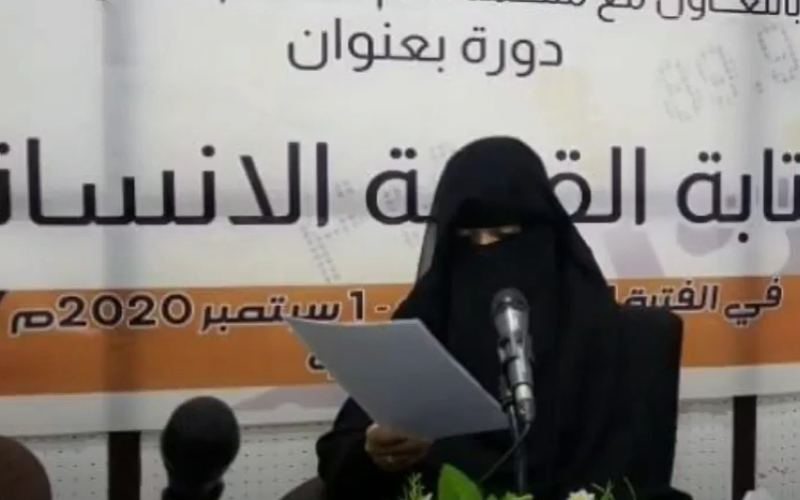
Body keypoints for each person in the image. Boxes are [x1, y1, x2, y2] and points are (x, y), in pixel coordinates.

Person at [316, 137, 689, 500]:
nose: (484, 251)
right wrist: (376, 454)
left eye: (504, 234)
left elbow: (635, 480)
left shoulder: (616, 343)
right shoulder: (426, 326)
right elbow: (341, 453)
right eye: (466, 238)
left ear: (546, 234)